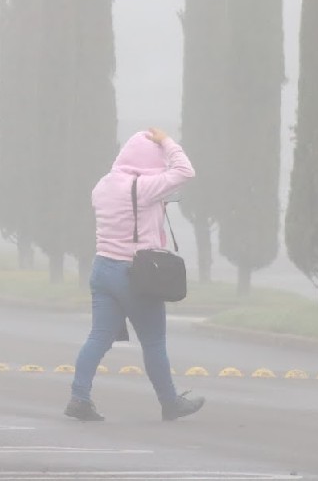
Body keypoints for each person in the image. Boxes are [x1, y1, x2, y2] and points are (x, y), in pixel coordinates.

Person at [64, 127, 205, 422]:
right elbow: (185, 170)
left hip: (102, 268)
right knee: (153, 342)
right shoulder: (143, 187)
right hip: (135, 273)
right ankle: (170, 403)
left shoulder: (102, 185)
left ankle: (79, 397)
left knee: (99, 337)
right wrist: (166, 142)